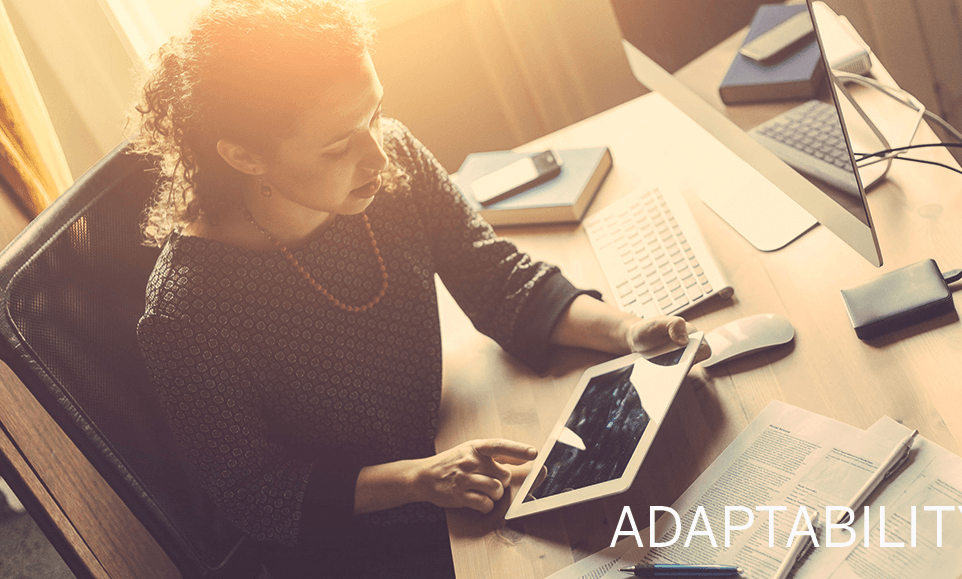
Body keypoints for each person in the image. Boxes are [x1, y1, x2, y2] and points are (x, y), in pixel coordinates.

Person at [132, 1, 708, 577]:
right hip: (361, 542)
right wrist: (418, 479)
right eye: (337, 147)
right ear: (242, 155)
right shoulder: (186, 314)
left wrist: (629, 330)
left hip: (454, 465)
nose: (376, 156)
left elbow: (497, 278)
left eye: (375, 115)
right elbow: (253, 495)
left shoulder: (395, 159)